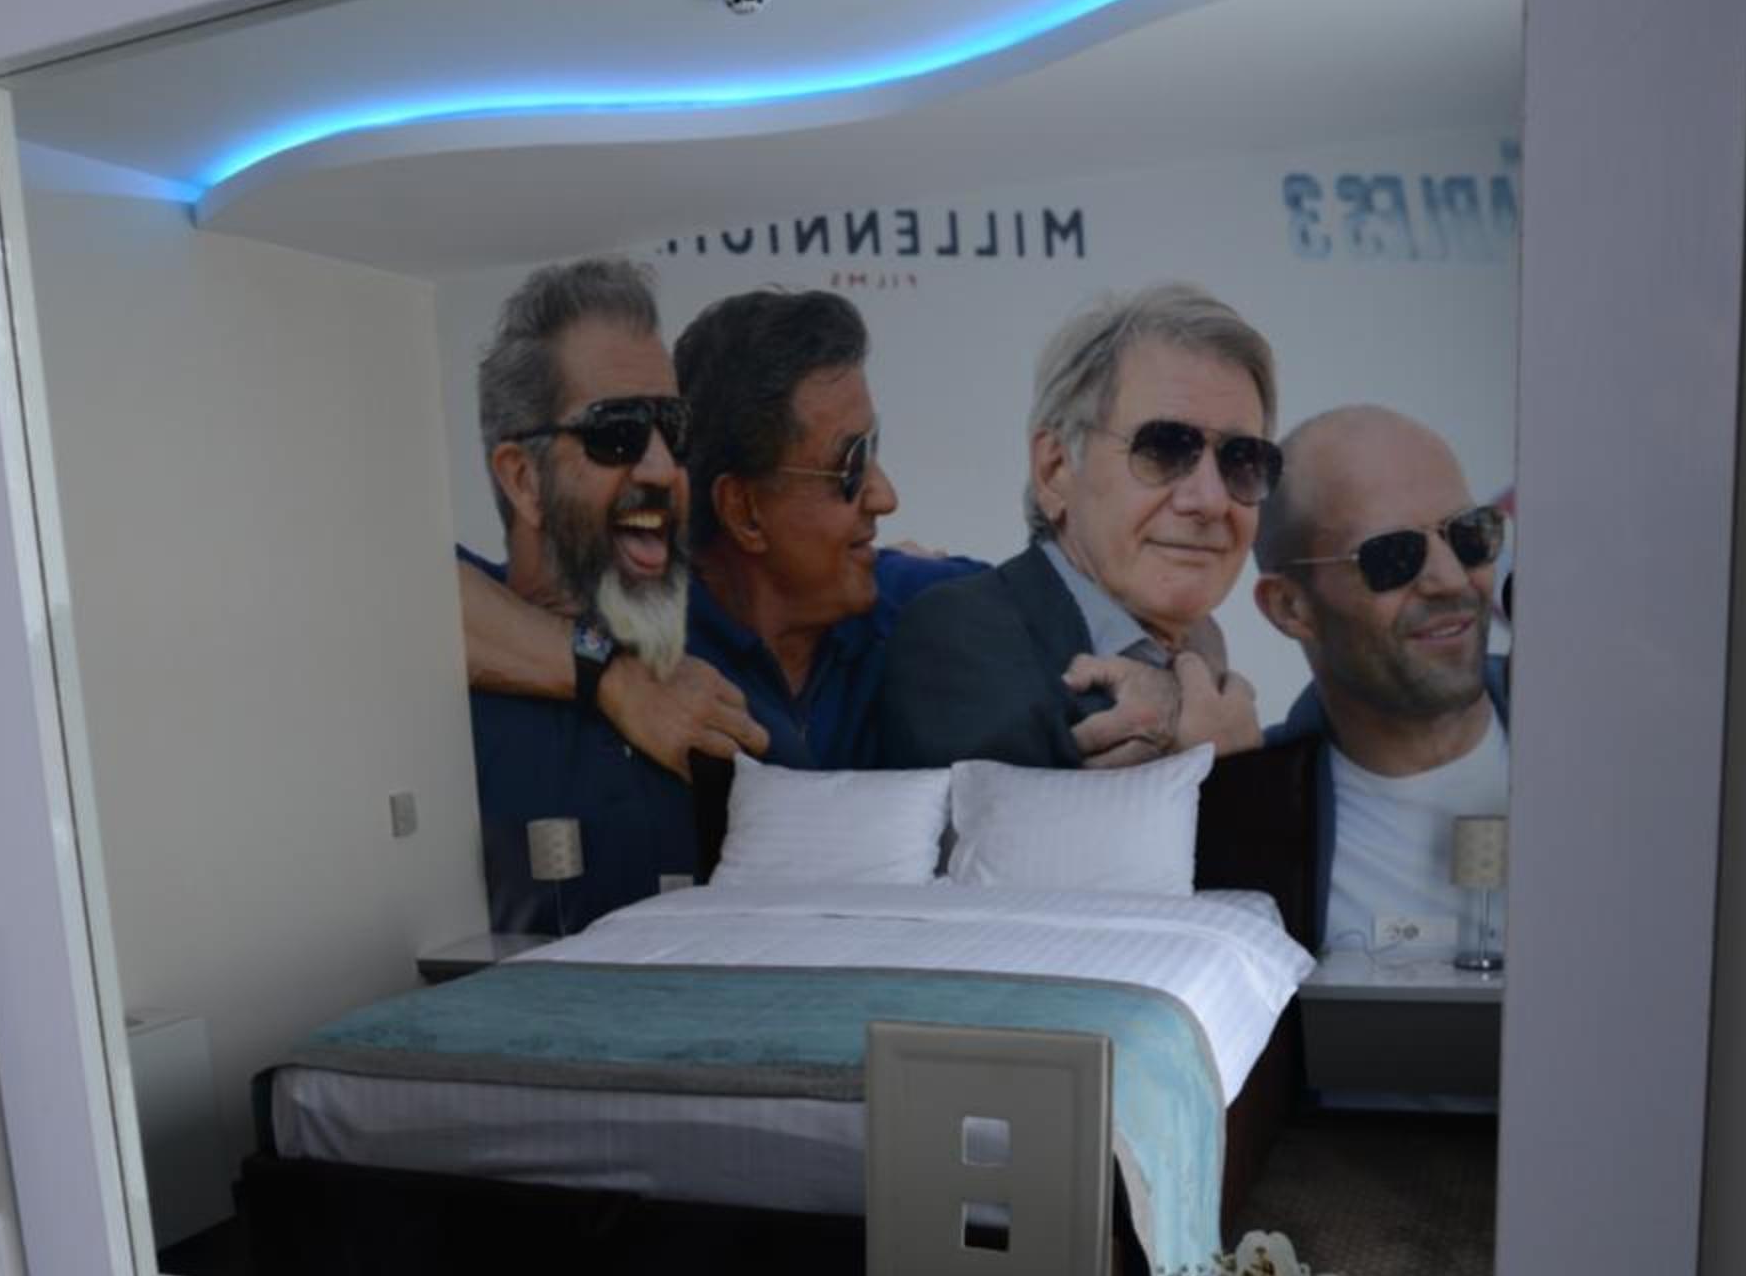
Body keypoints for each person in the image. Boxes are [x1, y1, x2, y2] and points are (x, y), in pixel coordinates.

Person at [873, 283, 1273, 772]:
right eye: (1164, 448)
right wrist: (1218, 771)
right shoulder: (959, 640)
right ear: (1055, 469)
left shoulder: (1206, 666)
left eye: (1241, 458)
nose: (1210, 500)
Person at [459, 257, 717, 932]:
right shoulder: (437, 689)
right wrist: (606, 673)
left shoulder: (726, 653)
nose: (661, 468)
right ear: (523, 480)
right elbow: (384, 581)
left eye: (673, 427)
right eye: (616, 432)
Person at [676, 287, 980, 766]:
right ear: (743, 511)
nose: (886, 497)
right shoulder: (643, 660)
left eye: (873, 447)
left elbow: (1063, 607)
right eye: (852, 464)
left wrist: (1122, 680)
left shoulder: (918, 606)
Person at [1251, 404, 1511, 953]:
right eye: (1392, 556)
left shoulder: (1606, 751)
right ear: (1290, 606)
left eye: (1470, 535)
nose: (1450, 579)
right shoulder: (1242, 824)